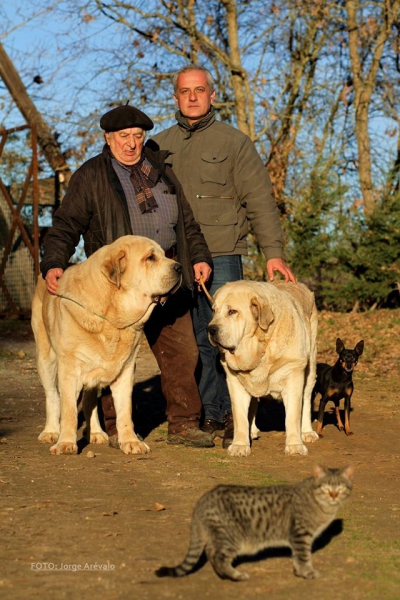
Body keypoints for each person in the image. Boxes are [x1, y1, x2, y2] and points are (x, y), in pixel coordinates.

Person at [40, 104, 215, 448]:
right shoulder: (92, 174)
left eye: (137, 136)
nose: (132, 144)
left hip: (164, 274)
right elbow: (65, 224)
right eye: (124, 137)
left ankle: (183, 424)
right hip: (116, 284)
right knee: (110, 355)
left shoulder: (161, 171)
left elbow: (187, 223)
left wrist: (199, 257)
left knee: (183, 352)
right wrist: (54, 263)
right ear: (108, 138)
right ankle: (116, 427)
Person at [149, 65, 296, 448]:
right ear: (176, 97)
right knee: (192, 340)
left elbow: (259, 199)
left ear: (213, 95)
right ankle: (204, 414)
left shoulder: (234, 142)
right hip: (175, 258)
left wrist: (274, 254)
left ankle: (234, 416)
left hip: (223, 252)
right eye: (185, 91)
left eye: (200, 90)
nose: (193, 97)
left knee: (231, 336)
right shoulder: (158, 146)